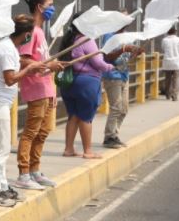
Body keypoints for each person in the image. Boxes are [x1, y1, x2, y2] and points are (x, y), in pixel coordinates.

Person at [0, 15, 46, 207]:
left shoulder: (8, 46)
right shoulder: (8, 49)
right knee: (1, 149)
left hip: (0, 102)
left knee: (3, 147)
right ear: (26, 34)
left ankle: (3, 185)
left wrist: (34, 67)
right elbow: (10, 79)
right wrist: (29, 69)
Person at [59, 14, 138, 159]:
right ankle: (88, 151)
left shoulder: (70, 40)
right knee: (86, 117)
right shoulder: (87, 41)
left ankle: (68, 149)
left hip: (70, 82)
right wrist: (110, 67)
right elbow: (98, 63)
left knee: (73, 116)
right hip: (86, 82)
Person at [14, 0, 65, 191]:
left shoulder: (41, 32)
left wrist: (52, 63)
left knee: (43, 132)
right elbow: (23, 60)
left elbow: (40, 59)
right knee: (31, 132)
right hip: (36, 87)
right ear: (39, 7)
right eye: (50, 4)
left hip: (48, 87)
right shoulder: (31, 31)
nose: (53, 8)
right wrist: (46, 66)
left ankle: (35, 170)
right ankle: (23, 173)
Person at [101, 14, 145, 149]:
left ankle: (114, 134)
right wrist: (123, 49)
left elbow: (126, 59)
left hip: (124, 75)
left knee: (124, 109)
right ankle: (109, 137)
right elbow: (107, 57)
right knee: (116, 107)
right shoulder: (109, 35)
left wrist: (135, 53)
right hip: (112, 75)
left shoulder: (126, 36)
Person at [160, 26, 179, 102]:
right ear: (175, 32)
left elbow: (163, 48)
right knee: (175, 79)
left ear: (168, 32)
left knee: (167, 79)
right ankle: (174, 95)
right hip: (176, 62)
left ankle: (167, 94)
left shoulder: (164, 40)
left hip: (167, 62)